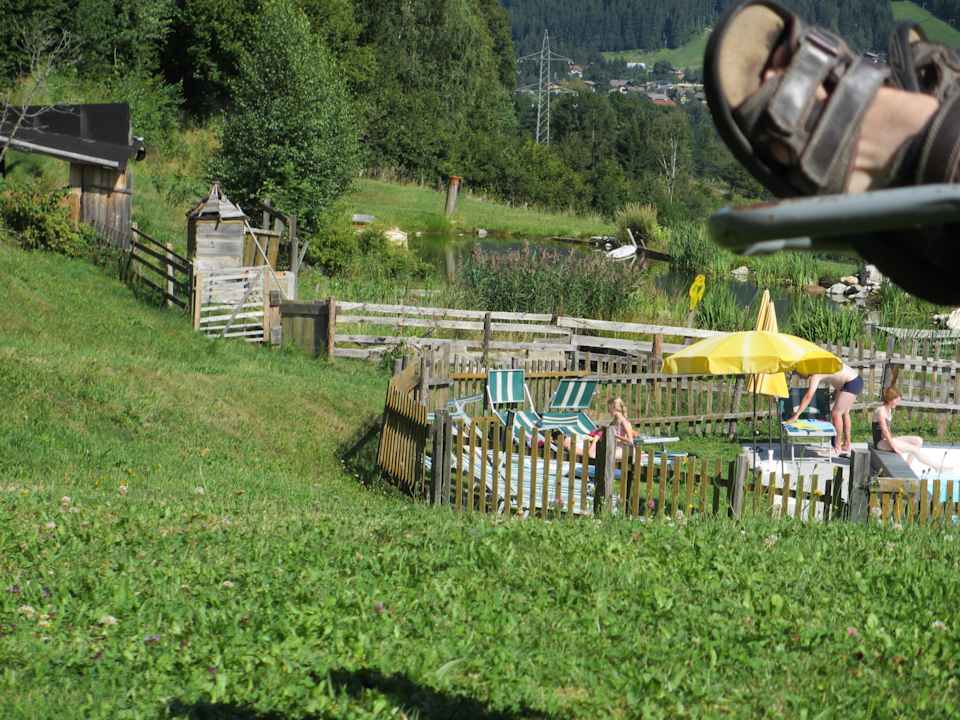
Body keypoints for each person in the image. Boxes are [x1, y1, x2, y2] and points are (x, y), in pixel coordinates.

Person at [786, 363, 861, 455]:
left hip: (851, 382)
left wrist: (797, 415)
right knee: (845, 413)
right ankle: (847, 444)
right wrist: (837, 391)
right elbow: (839, 375)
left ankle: (837, 448)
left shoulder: (816, 375)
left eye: (799, 374)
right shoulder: (821, 365)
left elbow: (808, 396)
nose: (800, 377)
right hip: (853, 380)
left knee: (836, 413)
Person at [873, 387, 955, 470]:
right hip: (880, 443)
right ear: (890, 399)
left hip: (887, 440)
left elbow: (888, 430)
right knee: (914, 449)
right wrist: (894, 447)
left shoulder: (889, 410)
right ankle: (937, 467)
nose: (898, 403)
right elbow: (885, 431)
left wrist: (894, 441)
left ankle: (907, 466)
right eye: (896, 401)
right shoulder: (881, 410)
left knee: (918, 440)